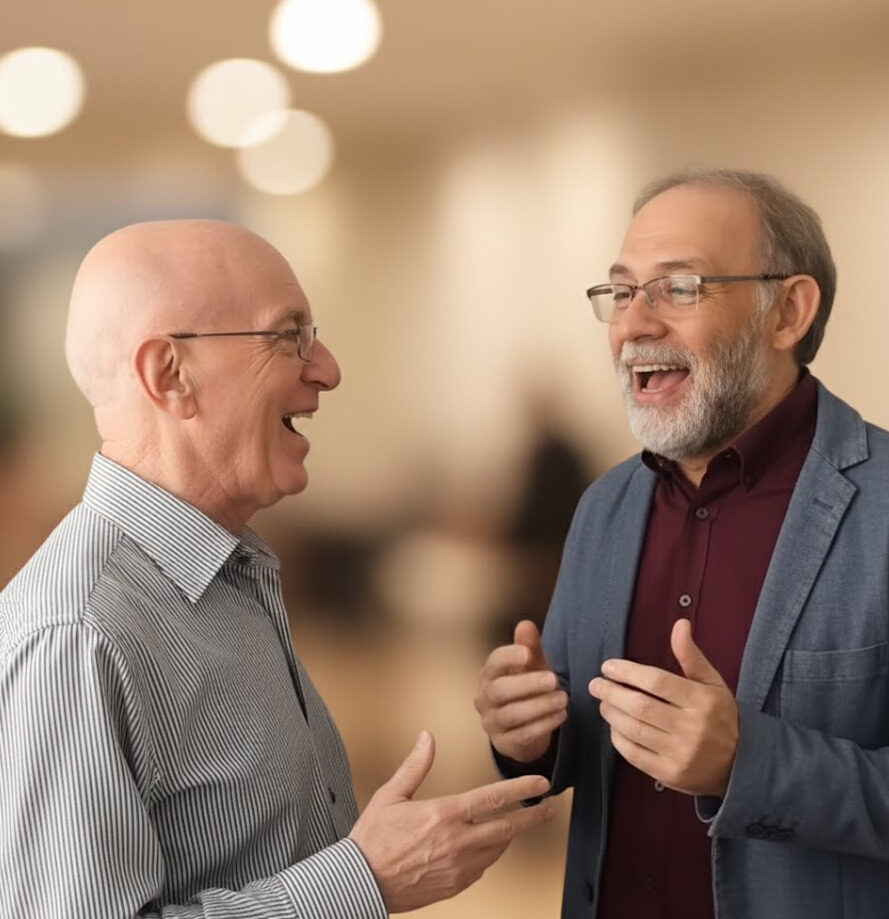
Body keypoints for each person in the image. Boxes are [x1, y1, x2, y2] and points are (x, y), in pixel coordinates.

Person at [0, 219, 554, 918]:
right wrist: (365, 880)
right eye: (288, 335)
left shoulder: (231, 575)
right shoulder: (77, 634)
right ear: (170, 374)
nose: (328, 368)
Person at [475, 169, 889, 918]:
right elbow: (579, 735)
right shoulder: (603, 508)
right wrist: (528, 736)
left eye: (678, 288)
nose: (634, 324)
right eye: (621, 291)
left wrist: (749, 763)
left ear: (787, 311)